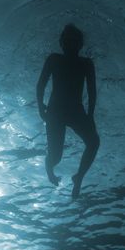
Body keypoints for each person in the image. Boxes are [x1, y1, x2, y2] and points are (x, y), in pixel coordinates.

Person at [36, 24, 100, 198]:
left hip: (75, 111)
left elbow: (92, 91)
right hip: (55, 112)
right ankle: (49, 167)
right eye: (68, 41)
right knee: (56, 157)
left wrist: (90, 115)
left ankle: (78, 177)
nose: (71, 44)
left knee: (94, 142)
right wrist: (41, 107)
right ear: (62, 43)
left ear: (80, 44)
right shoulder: (54, 59)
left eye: (74, 41)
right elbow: (41, 85)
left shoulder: (86, 63)